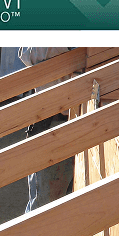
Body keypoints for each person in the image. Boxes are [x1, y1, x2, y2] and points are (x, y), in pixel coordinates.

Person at [19, 47, 74, 212]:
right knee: (43, 206)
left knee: (66, 203)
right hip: (50, 123)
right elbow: (26, 54)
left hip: (75, 120)